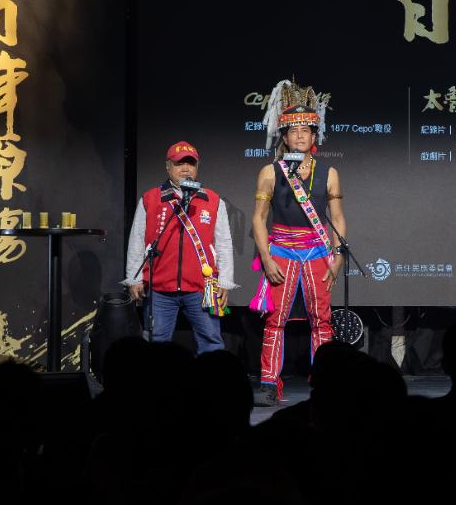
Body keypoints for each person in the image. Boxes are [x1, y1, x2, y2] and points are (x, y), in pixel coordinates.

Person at [251, 80, 345, 407]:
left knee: (322, 320)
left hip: (318, 251)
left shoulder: (329, 173)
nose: (301, 136)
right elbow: (258, 219)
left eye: (306, 130)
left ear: (314, 136)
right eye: (294, 131)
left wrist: (337, 257)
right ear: (285, 136)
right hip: (281, 250)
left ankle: (326, 382)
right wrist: (266, 258)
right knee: (275, 319)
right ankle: (268, 383)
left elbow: (338, 218)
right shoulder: (270, 172)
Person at [123, 141, 234, 354]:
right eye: (179, 163)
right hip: (159, 288)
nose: (185, 169)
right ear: (168, 167)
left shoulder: (212, 200)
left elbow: (224, 243)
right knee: (156, 344)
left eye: (190, 164)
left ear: (197, 167)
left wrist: (225, 281)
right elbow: (137, 240)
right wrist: (134, 278)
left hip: (202, 287)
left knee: (211, 343)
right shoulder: (150, 199)